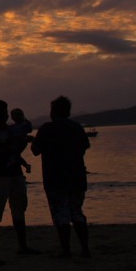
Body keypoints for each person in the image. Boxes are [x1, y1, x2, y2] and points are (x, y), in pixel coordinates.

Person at [0, 98, 41, 258]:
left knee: (19, 209)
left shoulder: (8, 128)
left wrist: (21, 155)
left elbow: (15, 150)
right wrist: (11, 148)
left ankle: (22, 246)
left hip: (15, 173)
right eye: (4, 111)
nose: (7, 115)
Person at [31, 95, 91, 258]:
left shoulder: (46, 128)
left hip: (55, 178)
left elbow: (35, 150)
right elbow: (84, 147)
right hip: (77, 176)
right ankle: (85, 249)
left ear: (54, 111)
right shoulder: (76, 127)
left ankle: (66, 251)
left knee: (61, 215)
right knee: (77, 213)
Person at [9, 108, 33, 173]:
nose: (16, 117)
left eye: (18, 115)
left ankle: (25, 165)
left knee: (15, 153)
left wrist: (25, 120)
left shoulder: (24, 124)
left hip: (22, 141)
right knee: (15, 154)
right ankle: (26, 165)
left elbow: (29, 129)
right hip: (15, 141)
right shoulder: (12, 126)